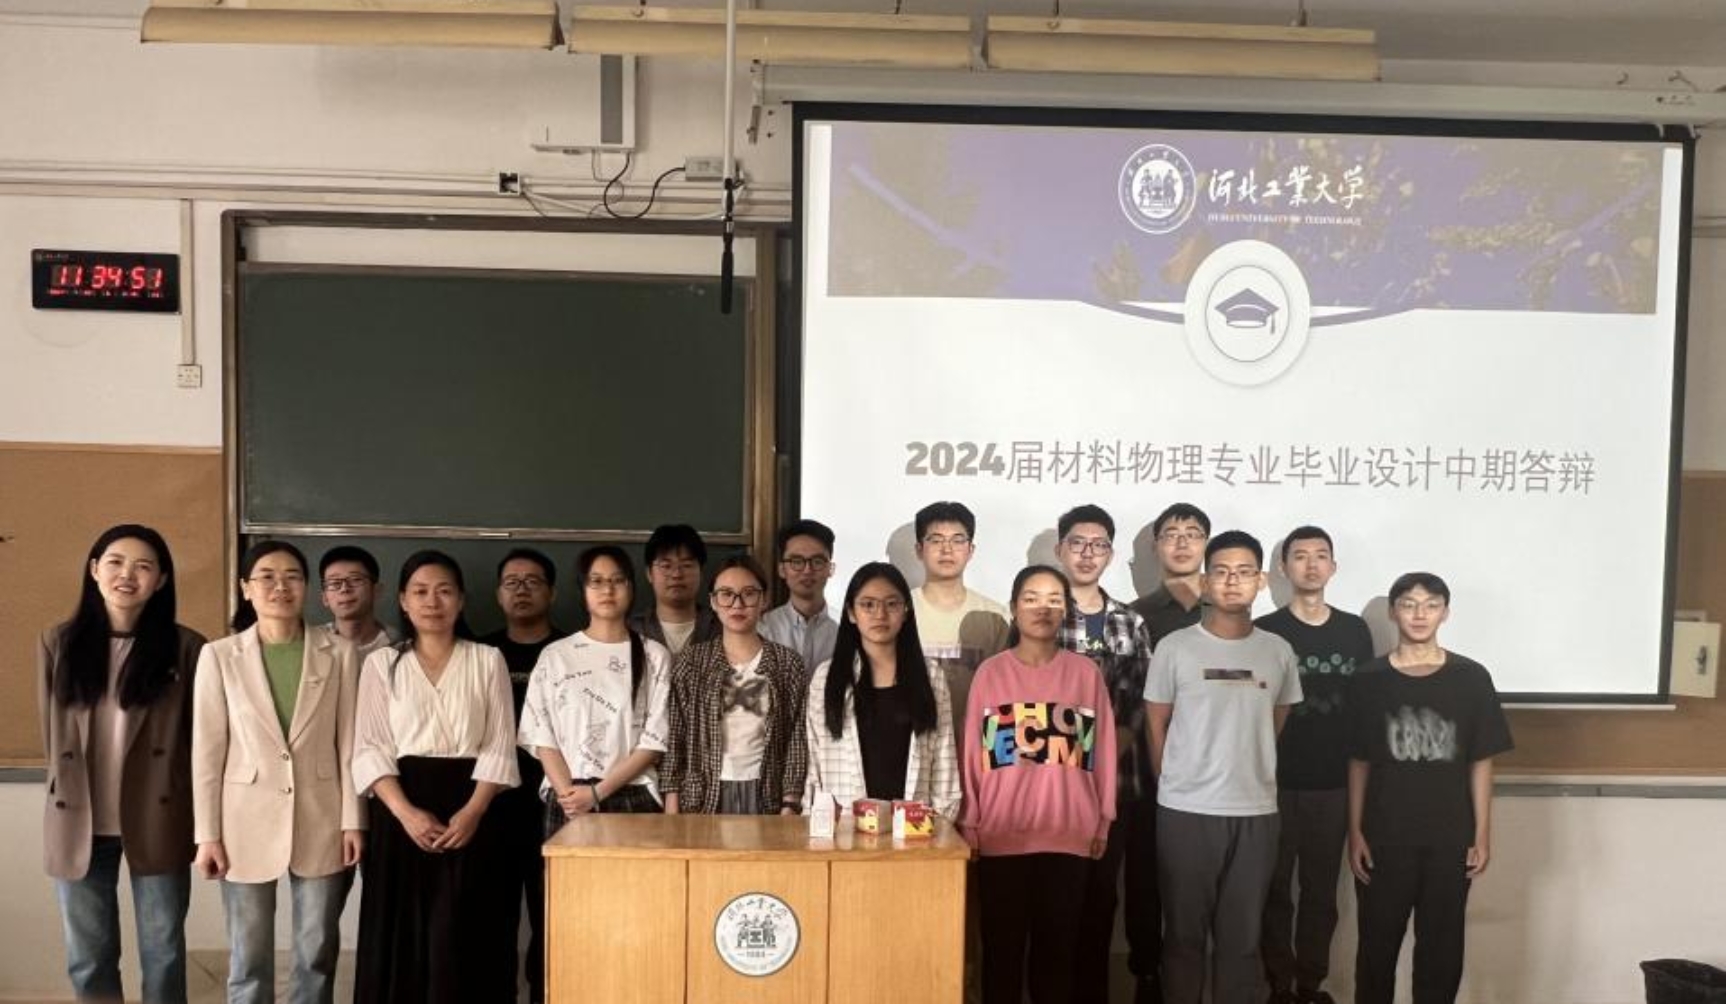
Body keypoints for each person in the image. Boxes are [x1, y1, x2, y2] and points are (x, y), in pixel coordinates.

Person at [38, 524, 206, 1004]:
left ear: (162, 579)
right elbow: (53, 735)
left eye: (143, 566)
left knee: (163, 951)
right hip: (79, 819)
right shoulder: (58, 643)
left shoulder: (188, 648)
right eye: (115, 562)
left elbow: (199, 739)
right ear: (94, 570)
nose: (127, 575)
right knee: (88, 957)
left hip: (159, 814)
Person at [190, 540, 363, 1004]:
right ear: (246, 588)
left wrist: (354, 820)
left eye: (292, 576)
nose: (280, 586)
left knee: (315, 949)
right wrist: (207, 835)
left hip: (322, 815)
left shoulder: (341, 652)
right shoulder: (219, 655)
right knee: (248, 955)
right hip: (242, 819)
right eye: (266, 576)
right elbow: (207, 752)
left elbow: (350, 744)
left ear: (307, 587)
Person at [350, 550, 521, 1004]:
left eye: (444, 591)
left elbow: (500, 744)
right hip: (401, 811)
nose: (432, 601)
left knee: (466, 931)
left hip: (475, 810)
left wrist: (473, 811)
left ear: (461, 600)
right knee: (402, 935)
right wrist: (406, 813)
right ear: (403, 601)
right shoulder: (381, 664)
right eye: (421, 591)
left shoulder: (488, 659)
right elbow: (370, 747)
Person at [1144, 530, 1302, 1004]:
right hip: (1186, 812)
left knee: (1242, 939)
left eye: (1244, 572)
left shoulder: (1278, 651)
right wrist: (1176, 784)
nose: (1233, 581)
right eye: (1221, 572)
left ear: (1262, 581)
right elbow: (1156, 725)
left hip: (1256, 811)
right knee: (1183, 938)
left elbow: (1276, 721)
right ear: (1205, 582)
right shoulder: (1175, 647)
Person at [1347, 573, 1512, 1004]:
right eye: (1409, 604)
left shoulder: (1471, 677)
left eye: (1431, 604)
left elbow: (1481, 761)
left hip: (1449, 836)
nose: (1420, 614)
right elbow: (1359, 762)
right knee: (1376, 948)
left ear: (1445, 613)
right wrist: (1355, 831)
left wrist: (1482, 834)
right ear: (1393, 612)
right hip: (1384, 835)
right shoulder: (1368, 680)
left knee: (1442, 949)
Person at [961, 565, 1116, 1004]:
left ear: (1066, 610)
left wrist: (1103, 818)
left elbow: (1103, 750)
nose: (1042, 609)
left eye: (1053, 600)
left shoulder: (1085, 674)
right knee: (1001, 957)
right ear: (1013, 608)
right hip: (1001, 837)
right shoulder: (990, 674)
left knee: (1057, 959)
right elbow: (972, 751)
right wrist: (970, 821)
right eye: (1031, 599)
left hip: (1068, 836)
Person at [1255, 526, 1378, 1004]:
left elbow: (1365, 709)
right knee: (1273, 891)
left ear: (1333, 566)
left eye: (1320, 555)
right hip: (1273, 783)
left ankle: (1311, 984)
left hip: (1334, 783)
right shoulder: (1266, 630)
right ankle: (1278, 986)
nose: (1310, 564)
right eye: (1300, 556)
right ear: (1283, 568)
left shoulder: (1354, 631)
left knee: (1322, 893)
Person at [1052, 505, 1160, 1004]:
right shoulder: (1042, 613)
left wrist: (1108, 751)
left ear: (1110, 555)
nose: (1087, 553)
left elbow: (1143, 699)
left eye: (1098, 545)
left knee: (1101, 898)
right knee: (1060, 899)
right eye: (1077, 543)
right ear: (1060, 550)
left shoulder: (1130, 622)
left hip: (1117, 784)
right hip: (1055, 786)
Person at [520, 545, 673, 825]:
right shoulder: (555, 655)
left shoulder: (654, 656)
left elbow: (655, 740)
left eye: (617, 580)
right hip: (568, 797)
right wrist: (568, 795)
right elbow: (542, 735)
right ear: (583, 590)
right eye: (596, 581)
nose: (608, 590)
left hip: (632, 794)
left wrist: (597, 793)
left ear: (631, 587)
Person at [803, 561, 959, 817]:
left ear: (906, 611)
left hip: (915, 828)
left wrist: (941, 824)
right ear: (851, 613)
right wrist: (815, 821)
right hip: (845, 827)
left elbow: (945, 762)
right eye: (868, 605)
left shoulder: (931, 676)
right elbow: (814, 765)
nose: (880, 614)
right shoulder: (827, 678)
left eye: (892, 604)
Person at [479, 547, 566, 1004]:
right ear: (498, 594)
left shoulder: (570, 652)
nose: (522, 590)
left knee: (552, 917)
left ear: (552, 592)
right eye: (512, 582)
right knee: (494, 921)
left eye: (533, 581)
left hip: (556, 806)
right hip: (491, 808)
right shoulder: (480, 652)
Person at [661, 556, 809, 815]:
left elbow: (797, 738)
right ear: (713, 601)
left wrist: (790, 802)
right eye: (726, 594)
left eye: (748, 594)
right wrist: (672, 810)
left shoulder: (787, 664)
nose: (737, 604)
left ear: (764, 600)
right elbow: (676, 738)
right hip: (704, 796)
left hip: (767, 793)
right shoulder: (692, 662)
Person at [909, 501, 1009, 735]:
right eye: (936, 540)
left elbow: (1005, 690)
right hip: (912, 742)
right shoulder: (900, 612)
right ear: (919, 549)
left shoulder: (995, 616)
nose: (947, 550)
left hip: (976, 742)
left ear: (971, 550)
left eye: (957, 540)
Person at [761, 518, 840, 674]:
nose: (807, 570)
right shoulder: (763, 629)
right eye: (797, 561)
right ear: (782, 569)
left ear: (830, 569)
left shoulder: (845, 629)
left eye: (817, 561)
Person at [629, 523, 720, 657]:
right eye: (666, 566)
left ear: (701, 572)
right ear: (649, 573)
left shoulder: (722, 628)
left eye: (686, 565)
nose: (676, 574)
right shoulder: (630, 631)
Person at [1130, 503, 1211, 647]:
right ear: (1156, 546)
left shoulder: (1228, 607)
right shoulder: (1133, 616)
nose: (1182, 544)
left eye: (1192, 535)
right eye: (1171, 536)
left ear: (1207, 544)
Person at [316, 545, 395, 660]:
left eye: (355, 579)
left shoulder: (398, 645)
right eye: (334, 583)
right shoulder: (311, 642)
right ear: (325, 598)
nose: (344, 589)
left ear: (376, 590)